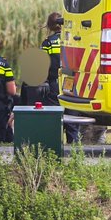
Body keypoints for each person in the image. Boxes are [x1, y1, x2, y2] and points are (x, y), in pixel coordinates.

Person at [40, 11, 77, 143]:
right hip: (71, 83)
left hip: (54, 84)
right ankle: (74, 151)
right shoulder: (72, 38)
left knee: (55, 120)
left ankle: (54, 148)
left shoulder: (48, 43)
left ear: (49, 26)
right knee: (72, 119)